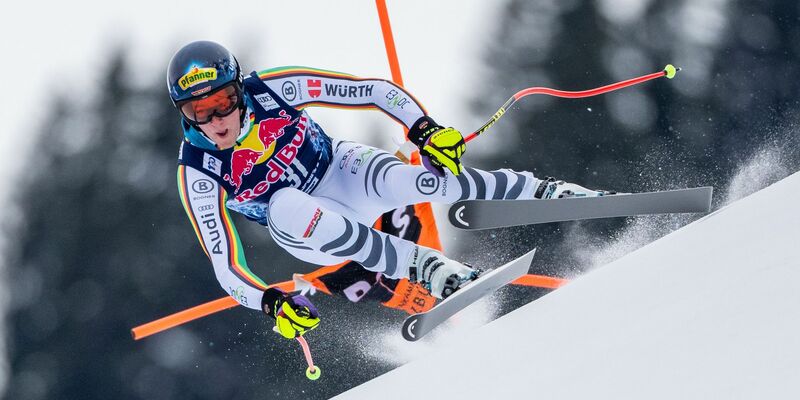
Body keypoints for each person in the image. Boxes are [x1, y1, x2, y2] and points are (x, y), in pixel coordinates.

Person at [167, 40, 607, 339]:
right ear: (184, 113)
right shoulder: (198, 170)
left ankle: (547, 192)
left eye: (222, 102)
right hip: (307, 230)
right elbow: (224, 263)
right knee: (284, 203)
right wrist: (271, 303)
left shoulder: (271, 89)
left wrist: (425, 131)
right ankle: (429, 269)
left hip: (339, 169)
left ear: (238, 89)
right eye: (198, 111)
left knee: (414, 180)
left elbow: (371, 91)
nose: (216, 120)